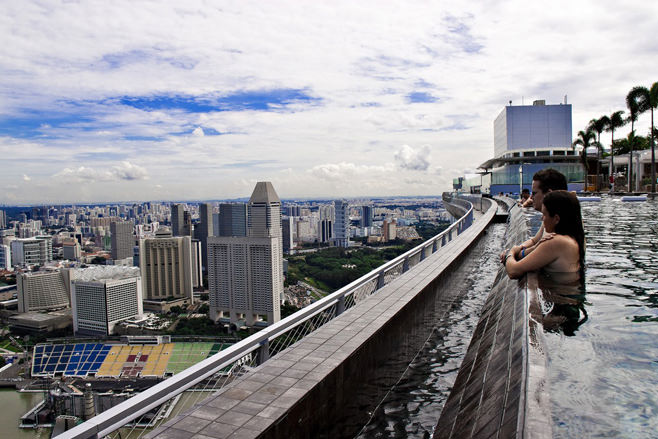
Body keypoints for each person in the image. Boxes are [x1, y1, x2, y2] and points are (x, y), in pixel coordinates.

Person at [502, 190, 585, 279]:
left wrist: (511, 252)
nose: (542, 218)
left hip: (557, 292)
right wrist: (535, 247)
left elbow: (514, 271)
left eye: (544, 214)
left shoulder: (556, 242)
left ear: (556, 219)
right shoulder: (573, 237)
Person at [500, 168, 568, 262]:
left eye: (534, 193)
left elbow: (514, 271)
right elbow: (534, 241)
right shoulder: (550, 219)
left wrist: (512, 253)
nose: (531, 197)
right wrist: (518, 248)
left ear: (548, 194)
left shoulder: (560, 231)